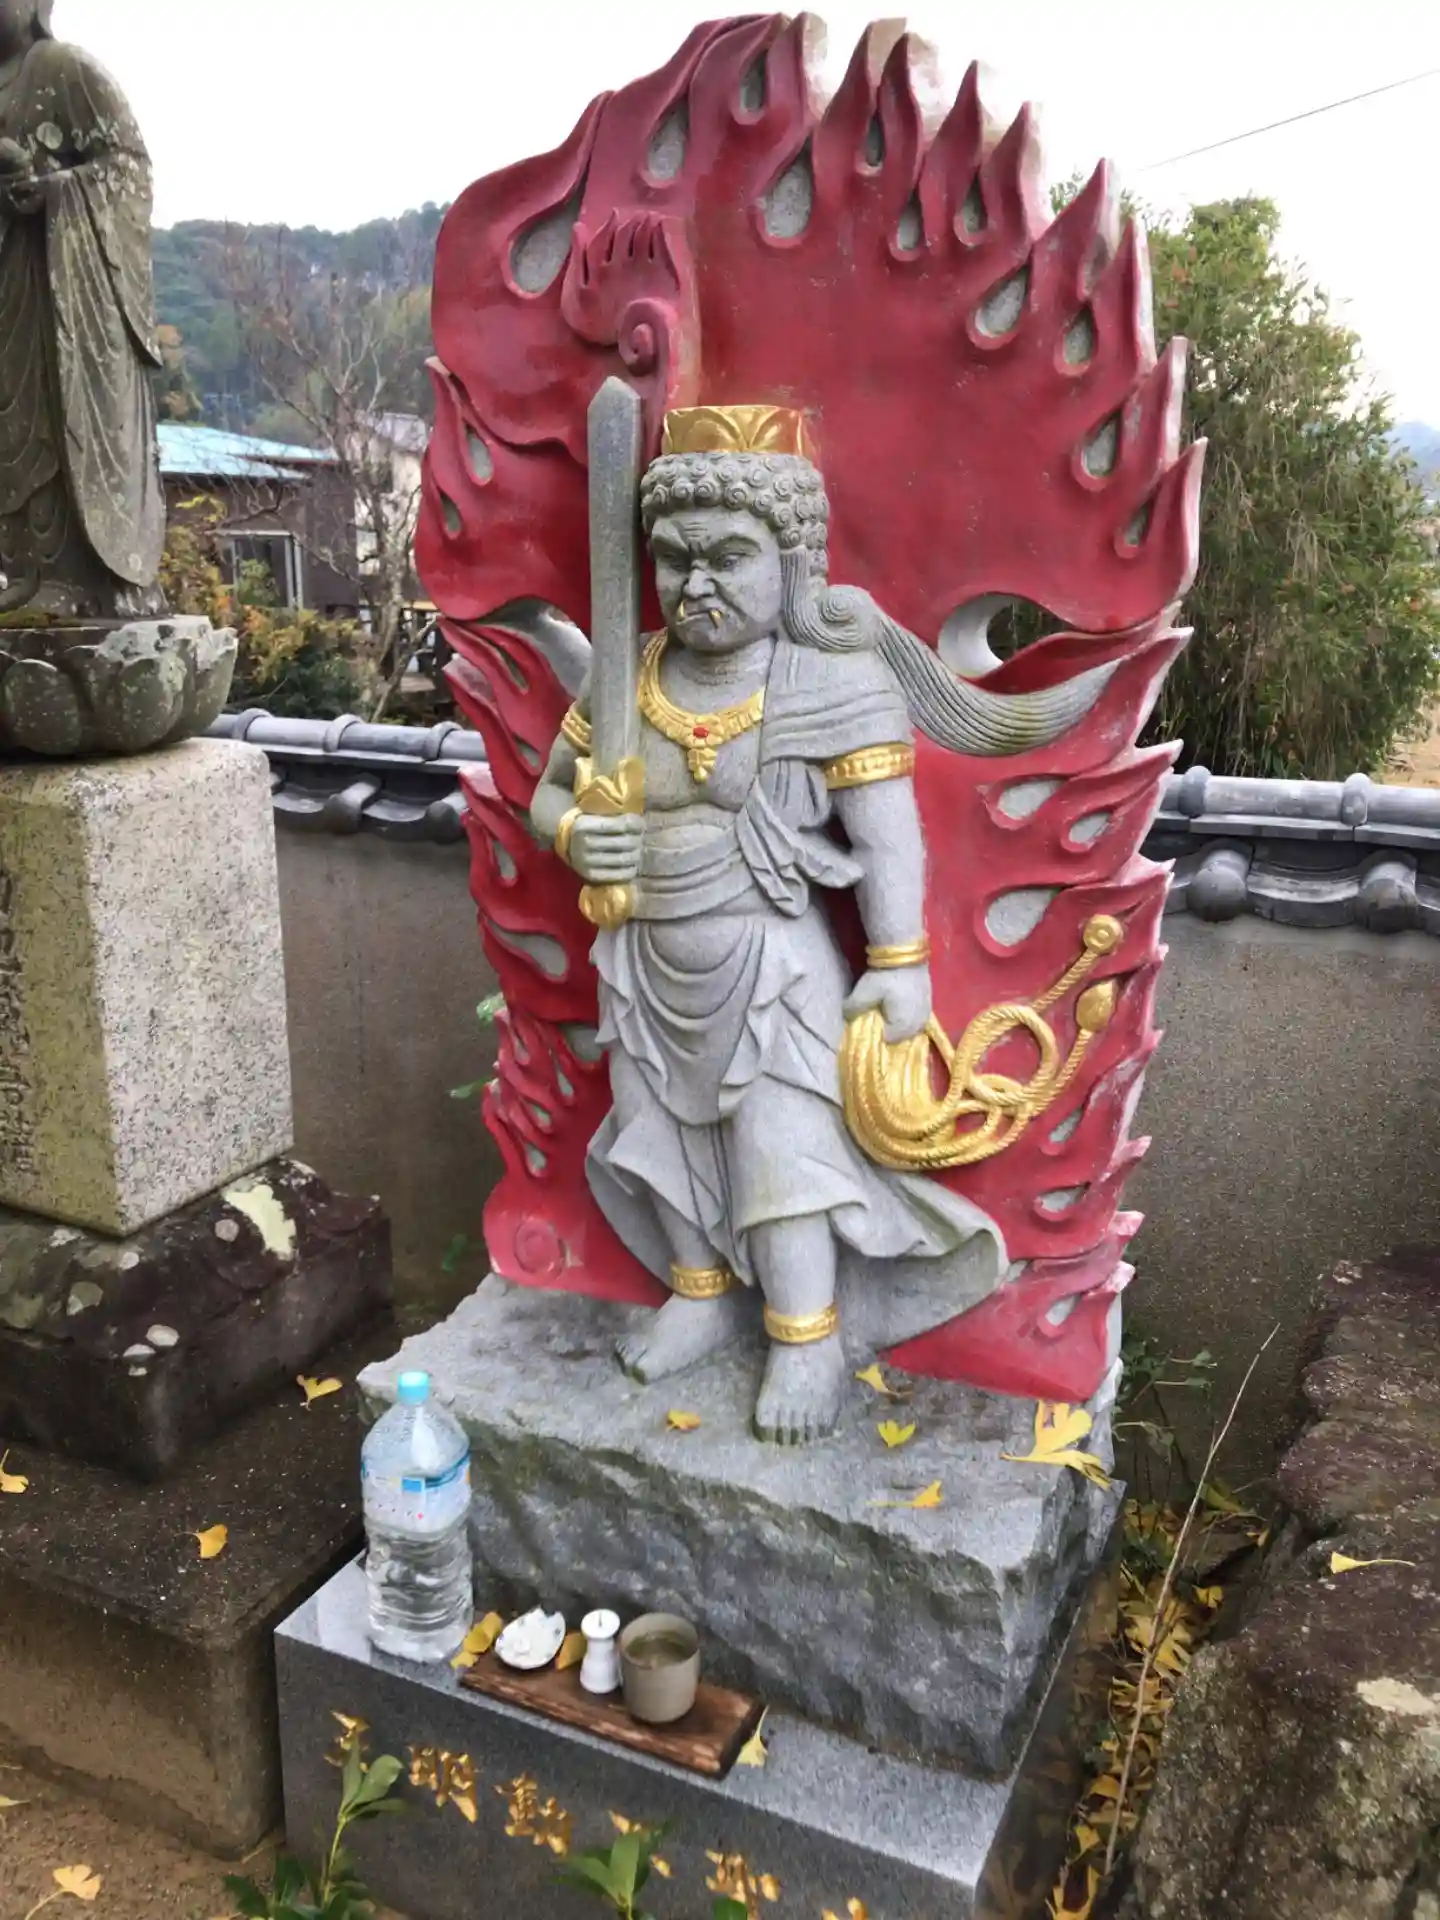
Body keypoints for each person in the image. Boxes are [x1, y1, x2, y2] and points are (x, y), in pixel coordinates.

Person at [531, 410, 1011, 1443]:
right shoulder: (629, 674)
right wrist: (574, 831)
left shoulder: (828, 679)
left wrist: (901, 964)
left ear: (792, 563)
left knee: (782, 1150)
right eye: (674, 559)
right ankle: (699, 1293)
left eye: (728, 558)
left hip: (773, 962)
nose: (696, 584)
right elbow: (551, 790)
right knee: (657, 1133)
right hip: (641, 957)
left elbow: (886, 835)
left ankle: (806, 1337)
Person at [0, 0, 164, 618]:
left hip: (64, 293)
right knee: (10, 431)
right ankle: (23, 569)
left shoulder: (65, 69)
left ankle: (76, 577)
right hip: (7, 286)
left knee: (54, 418)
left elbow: (130, 170)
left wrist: (56, 191)